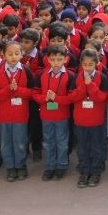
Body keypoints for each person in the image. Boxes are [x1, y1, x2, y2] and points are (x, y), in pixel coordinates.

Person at [0, 40, 34, 181]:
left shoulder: (26, 71)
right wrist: (8, 89)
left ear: (22, 55)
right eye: (10, 54)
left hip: (21, 114)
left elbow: (32, 93)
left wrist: (18, 90)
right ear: (3, 55)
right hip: (3, 115)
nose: (13, 57)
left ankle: (20, 165)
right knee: (5, 143)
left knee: (20, 141)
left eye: (16, 53)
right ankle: (10, 167)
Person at [71, 48, 108, 188]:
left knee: (97, 146)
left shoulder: (103, 78)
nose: (87, 68)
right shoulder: (76, 77)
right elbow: (72, 97)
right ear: (81, 63)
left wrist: (90, 85)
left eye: (90, 65)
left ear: (97, 63)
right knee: (82, 147)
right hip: (81, 119)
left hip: (97, 120)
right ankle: (84, 170)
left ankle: (96, 171)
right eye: (85, 64)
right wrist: (83, 86)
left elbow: (102, 98)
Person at [35, 44, 75, 181]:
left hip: (62, 116)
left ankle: (62, 166)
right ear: (48, 60)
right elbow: (35, 93)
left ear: (66, 59)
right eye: (53, 59)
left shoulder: (70, 76)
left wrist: (56, 98)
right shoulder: (41, 75)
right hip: (46, 115)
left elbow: (71, 98)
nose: (56, 62)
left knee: (62, 141)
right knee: (48, 141)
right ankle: (50, 166)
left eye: (59, 59)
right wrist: (44, 99)